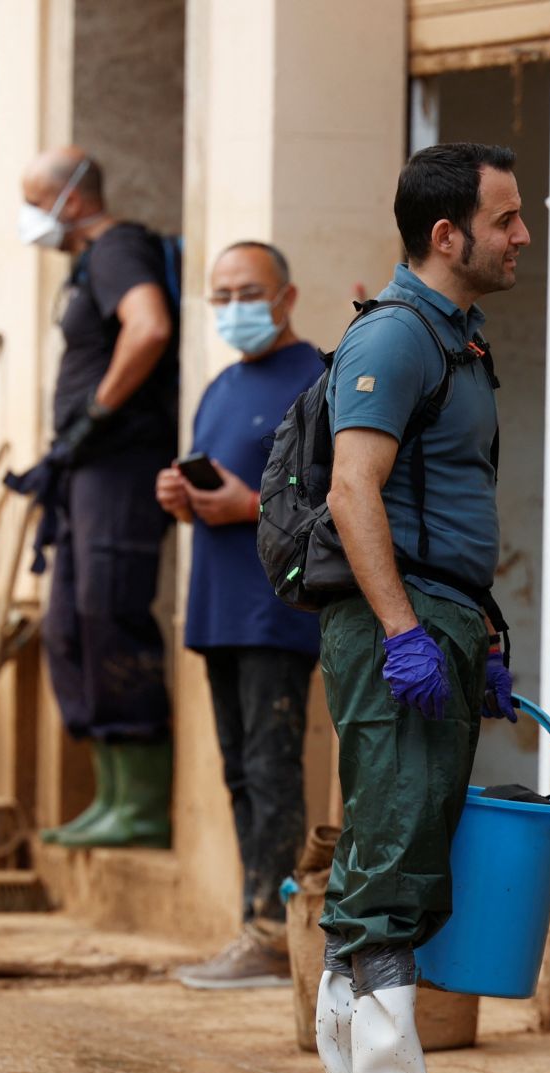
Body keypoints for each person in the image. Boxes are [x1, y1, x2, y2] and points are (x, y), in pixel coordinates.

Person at [311, 143, 528, 1073]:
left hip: (437, 616)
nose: (522, 235)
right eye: (506, 219)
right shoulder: (400, 338)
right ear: (449, 236)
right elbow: (356, 491)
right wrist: (403, 630)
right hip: (397, 623)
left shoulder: (458, 339)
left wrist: (475, 633)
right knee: (395, 855)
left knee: (381, 848)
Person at [156, 242, 323, 989]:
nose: (233, 307)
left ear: (286, 298)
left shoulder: (319, 379)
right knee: (238, 772)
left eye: (248, 291)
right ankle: (252, 921)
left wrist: (246, 504)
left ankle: (272, 933)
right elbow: (215, 486)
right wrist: (188, 503)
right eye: (220, 294)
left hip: (275, 607)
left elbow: (332, 501)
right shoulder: (221, 384)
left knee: (271, 764)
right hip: (218, 607)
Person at [13, 146, 179, 850]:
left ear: (72, 200)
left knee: (110, 612)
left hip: (120, 464)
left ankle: (140, 803)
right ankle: (110, 792)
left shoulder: (116, 250)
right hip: (85, 469)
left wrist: (99, 411)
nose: (29, 218)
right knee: (71, 622)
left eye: (34, 200)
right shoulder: (87, 262)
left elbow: (149, 327)